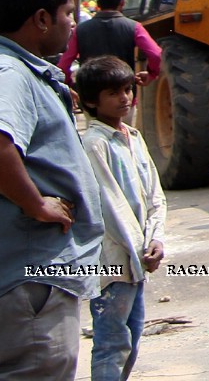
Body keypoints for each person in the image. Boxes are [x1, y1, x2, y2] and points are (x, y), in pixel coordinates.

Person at [0, 0, 104, 381]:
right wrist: (36, 204)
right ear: (40, 19)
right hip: (25, 276)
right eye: (68, 12)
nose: (73, 23)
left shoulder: (21, 71)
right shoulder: (7, 74)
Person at [76, 56, 165, 381]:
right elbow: (110, 206)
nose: (125, 98)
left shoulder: (134, 138)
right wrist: (139, 252)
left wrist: (156, 238)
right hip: (113, 263)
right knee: (111, 343)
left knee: (131, 339)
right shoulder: (94, 145)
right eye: (113, 92)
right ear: (90, 100)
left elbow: (155, 195)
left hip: (137, 260)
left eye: (127, 89)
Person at [59, 0, 161, 86]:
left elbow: (63, 64)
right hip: (123, 93)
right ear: (122, 3)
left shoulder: (80, 30)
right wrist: (152, 73)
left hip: (90, 95)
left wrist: (69, 85)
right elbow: (156, 54)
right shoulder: (134, 27)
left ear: (98, 4)